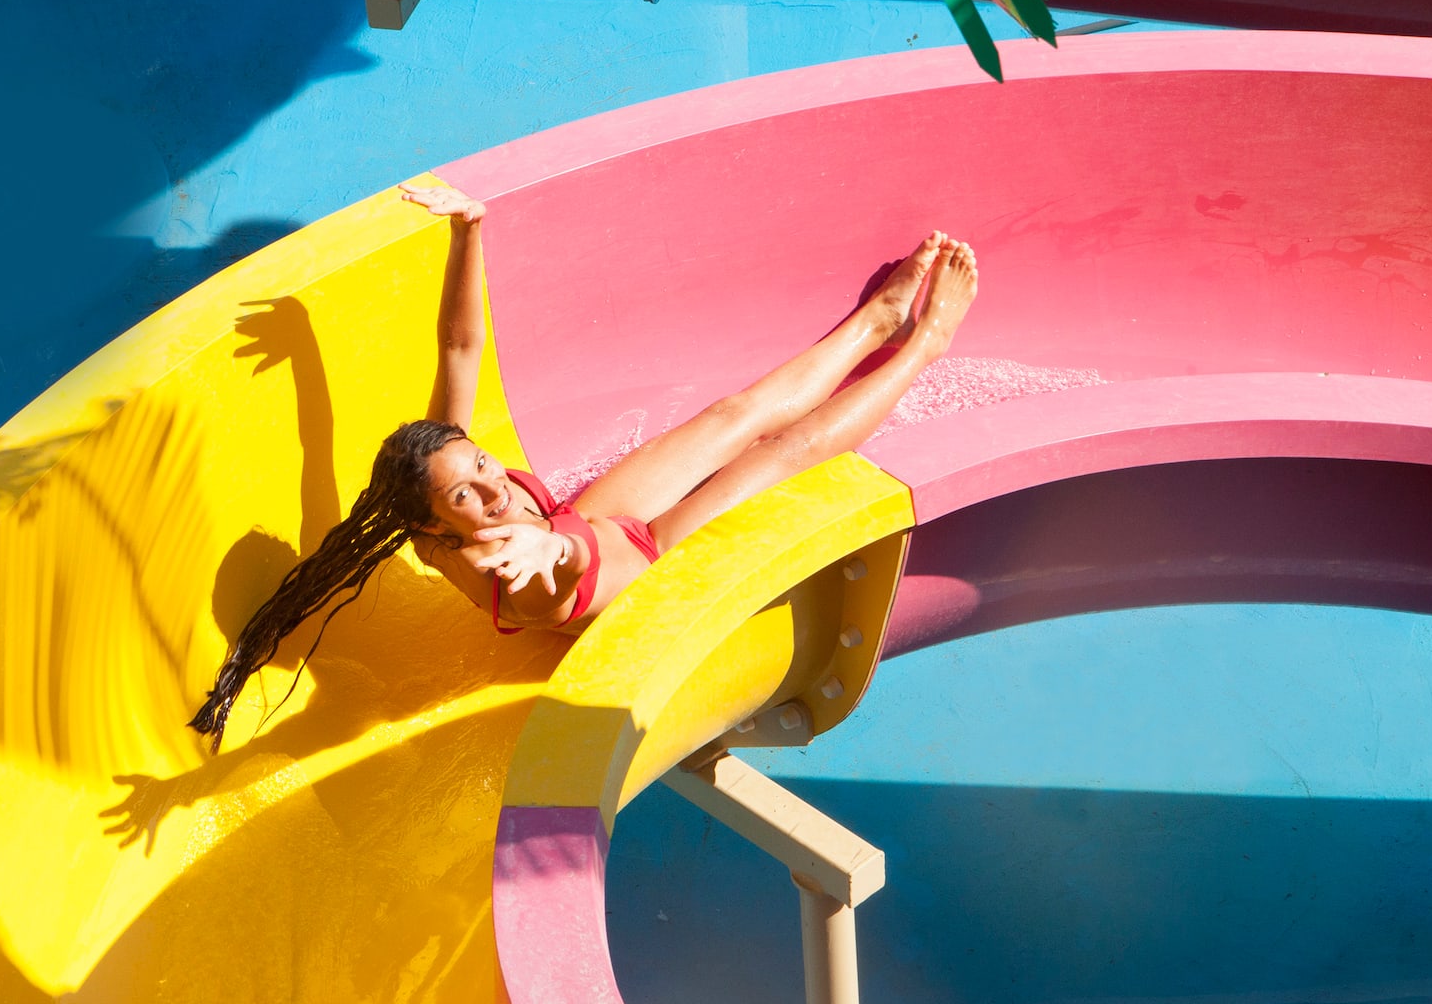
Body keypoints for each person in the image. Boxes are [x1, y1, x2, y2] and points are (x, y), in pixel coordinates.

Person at [189, 184, 977, 747]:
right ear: (435, 530)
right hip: (635, 562)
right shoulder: (509, 566)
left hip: (592, 524)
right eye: (470, 493)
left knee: (730, 418)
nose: (494, 487)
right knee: (782, 454)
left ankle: (871, 324)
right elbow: (560, 569)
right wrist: (549, 547)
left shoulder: (443, 488)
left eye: (483, 466)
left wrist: (470, 232)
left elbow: (460, 349)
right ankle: (923, 344)